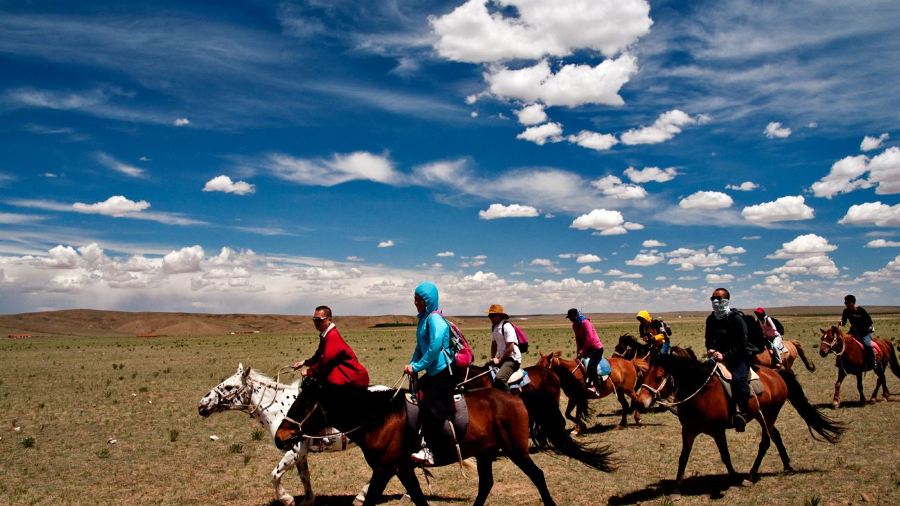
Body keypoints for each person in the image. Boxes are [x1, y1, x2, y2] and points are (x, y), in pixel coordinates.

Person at [280, 306, 369, 444]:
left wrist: (309, 371)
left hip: (350, 376)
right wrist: (304, 362)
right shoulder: (326, 334)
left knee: (319, 394)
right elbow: (318, 356)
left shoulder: (332, 336)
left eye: (319, 320)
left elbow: (326, 360)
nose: (316, 323)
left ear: (329, 319)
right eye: (314, 320)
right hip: (339, 373)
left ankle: (325, 432)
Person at [404, 281, 454, 466]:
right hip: (433, 371)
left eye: (419, 300)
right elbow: (420, 345)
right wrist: (412, 363)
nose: (416, 303)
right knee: (414, 398)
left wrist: (418, 367)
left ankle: (433, 450)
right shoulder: (424, 319)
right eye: (415, 299)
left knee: (430, 407)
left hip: (443, 372)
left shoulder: (434, 319)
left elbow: (434, 347)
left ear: (429, 300)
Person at [704, 288, 754, 432]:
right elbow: (708, 338)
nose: (715, 302)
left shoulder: (736, 319)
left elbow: (742, 343)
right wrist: (710, 349)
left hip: (738, 358)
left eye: (718, 299)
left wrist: (725, 356)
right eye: (712, 299)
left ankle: (742, 413)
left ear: (726, 300)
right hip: (717, 357)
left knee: (738, 380)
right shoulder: (711, 319)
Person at [566, 308, 605, 394]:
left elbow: (589, 339)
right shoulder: (575, 325)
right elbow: (578, 339)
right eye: (569, 318)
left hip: (596, 348)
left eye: (572, 317)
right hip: (586, 349)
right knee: (578, 363)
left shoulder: (585, 323)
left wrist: (583, 351)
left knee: (591, 366)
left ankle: (596, 386)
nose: (571, 320)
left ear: (576, 316)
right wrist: (578, 350)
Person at [840, 294, 880, 373]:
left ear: (853, 303)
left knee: (867, 344)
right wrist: (841, 322)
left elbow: (869, 321)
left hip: (864, 332)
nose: (847, 304)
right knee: (843, 342)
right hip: (853, 331)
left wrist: (862, 329)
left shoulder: (861, 310)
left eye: (848, 303)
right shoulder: (846, 311)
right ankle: (841, 362)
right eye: (845, 303)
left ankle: (873, 362)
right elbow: (843, 322)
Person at [486, 303, 521, 392]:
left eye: (492, 315)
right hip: (503, 357)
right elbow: (494, 344)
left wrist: (499, 360)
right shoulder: (494, 327)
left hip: (512, 359)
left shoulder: (507, 327)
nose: (490, 317)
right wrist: (493, 357)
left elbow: (510, 347)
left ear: (499, 316)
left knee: (500, 378)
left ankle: (509, 401)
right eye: (489, 315)